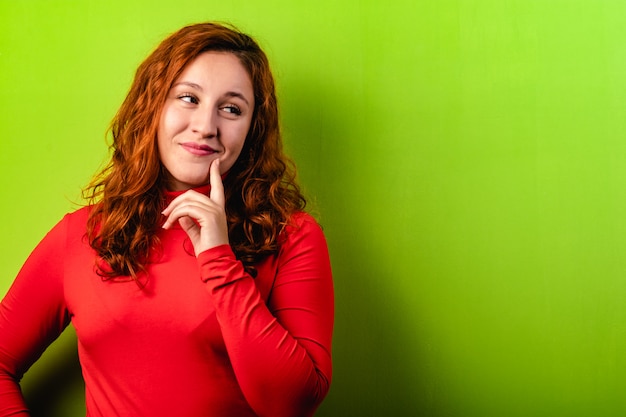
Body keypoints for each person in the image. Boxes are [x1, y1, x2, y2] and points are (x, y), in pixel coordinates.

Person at [0, 22, 334, 417]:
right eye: (188, 98)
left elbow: (292, 404)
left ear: (253, 129)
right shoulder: (84, 234)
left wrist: (219, 259)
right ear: (154, 106)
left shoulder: (292, 236)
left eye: (231, 109)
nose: (206, 127)